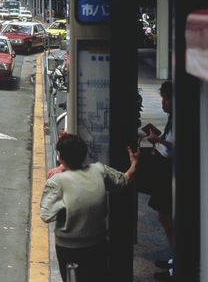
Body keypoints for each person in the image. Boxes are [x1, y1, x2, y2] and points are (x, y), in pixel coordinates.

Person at [40, 133, 139, 282]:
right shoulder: (98, 170)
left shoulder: (57, 181)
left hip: (69, 248)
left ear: (60, 156)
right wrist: (134, 164)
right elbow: (124, 180)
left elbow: (46, 215)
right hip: (97, 243)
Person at [142, 80, 174, 278]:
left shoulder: (183, 119)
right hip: (166, 170)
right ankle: (177, 257)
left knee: (168, 216)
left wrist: (159, 140)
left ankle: (179, 264)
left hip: (172, 171)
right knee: (164, 216)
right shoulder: (173, 118)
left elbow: (182, 146)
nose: (163, 103)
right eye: (162, 98)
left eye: (166, 99)